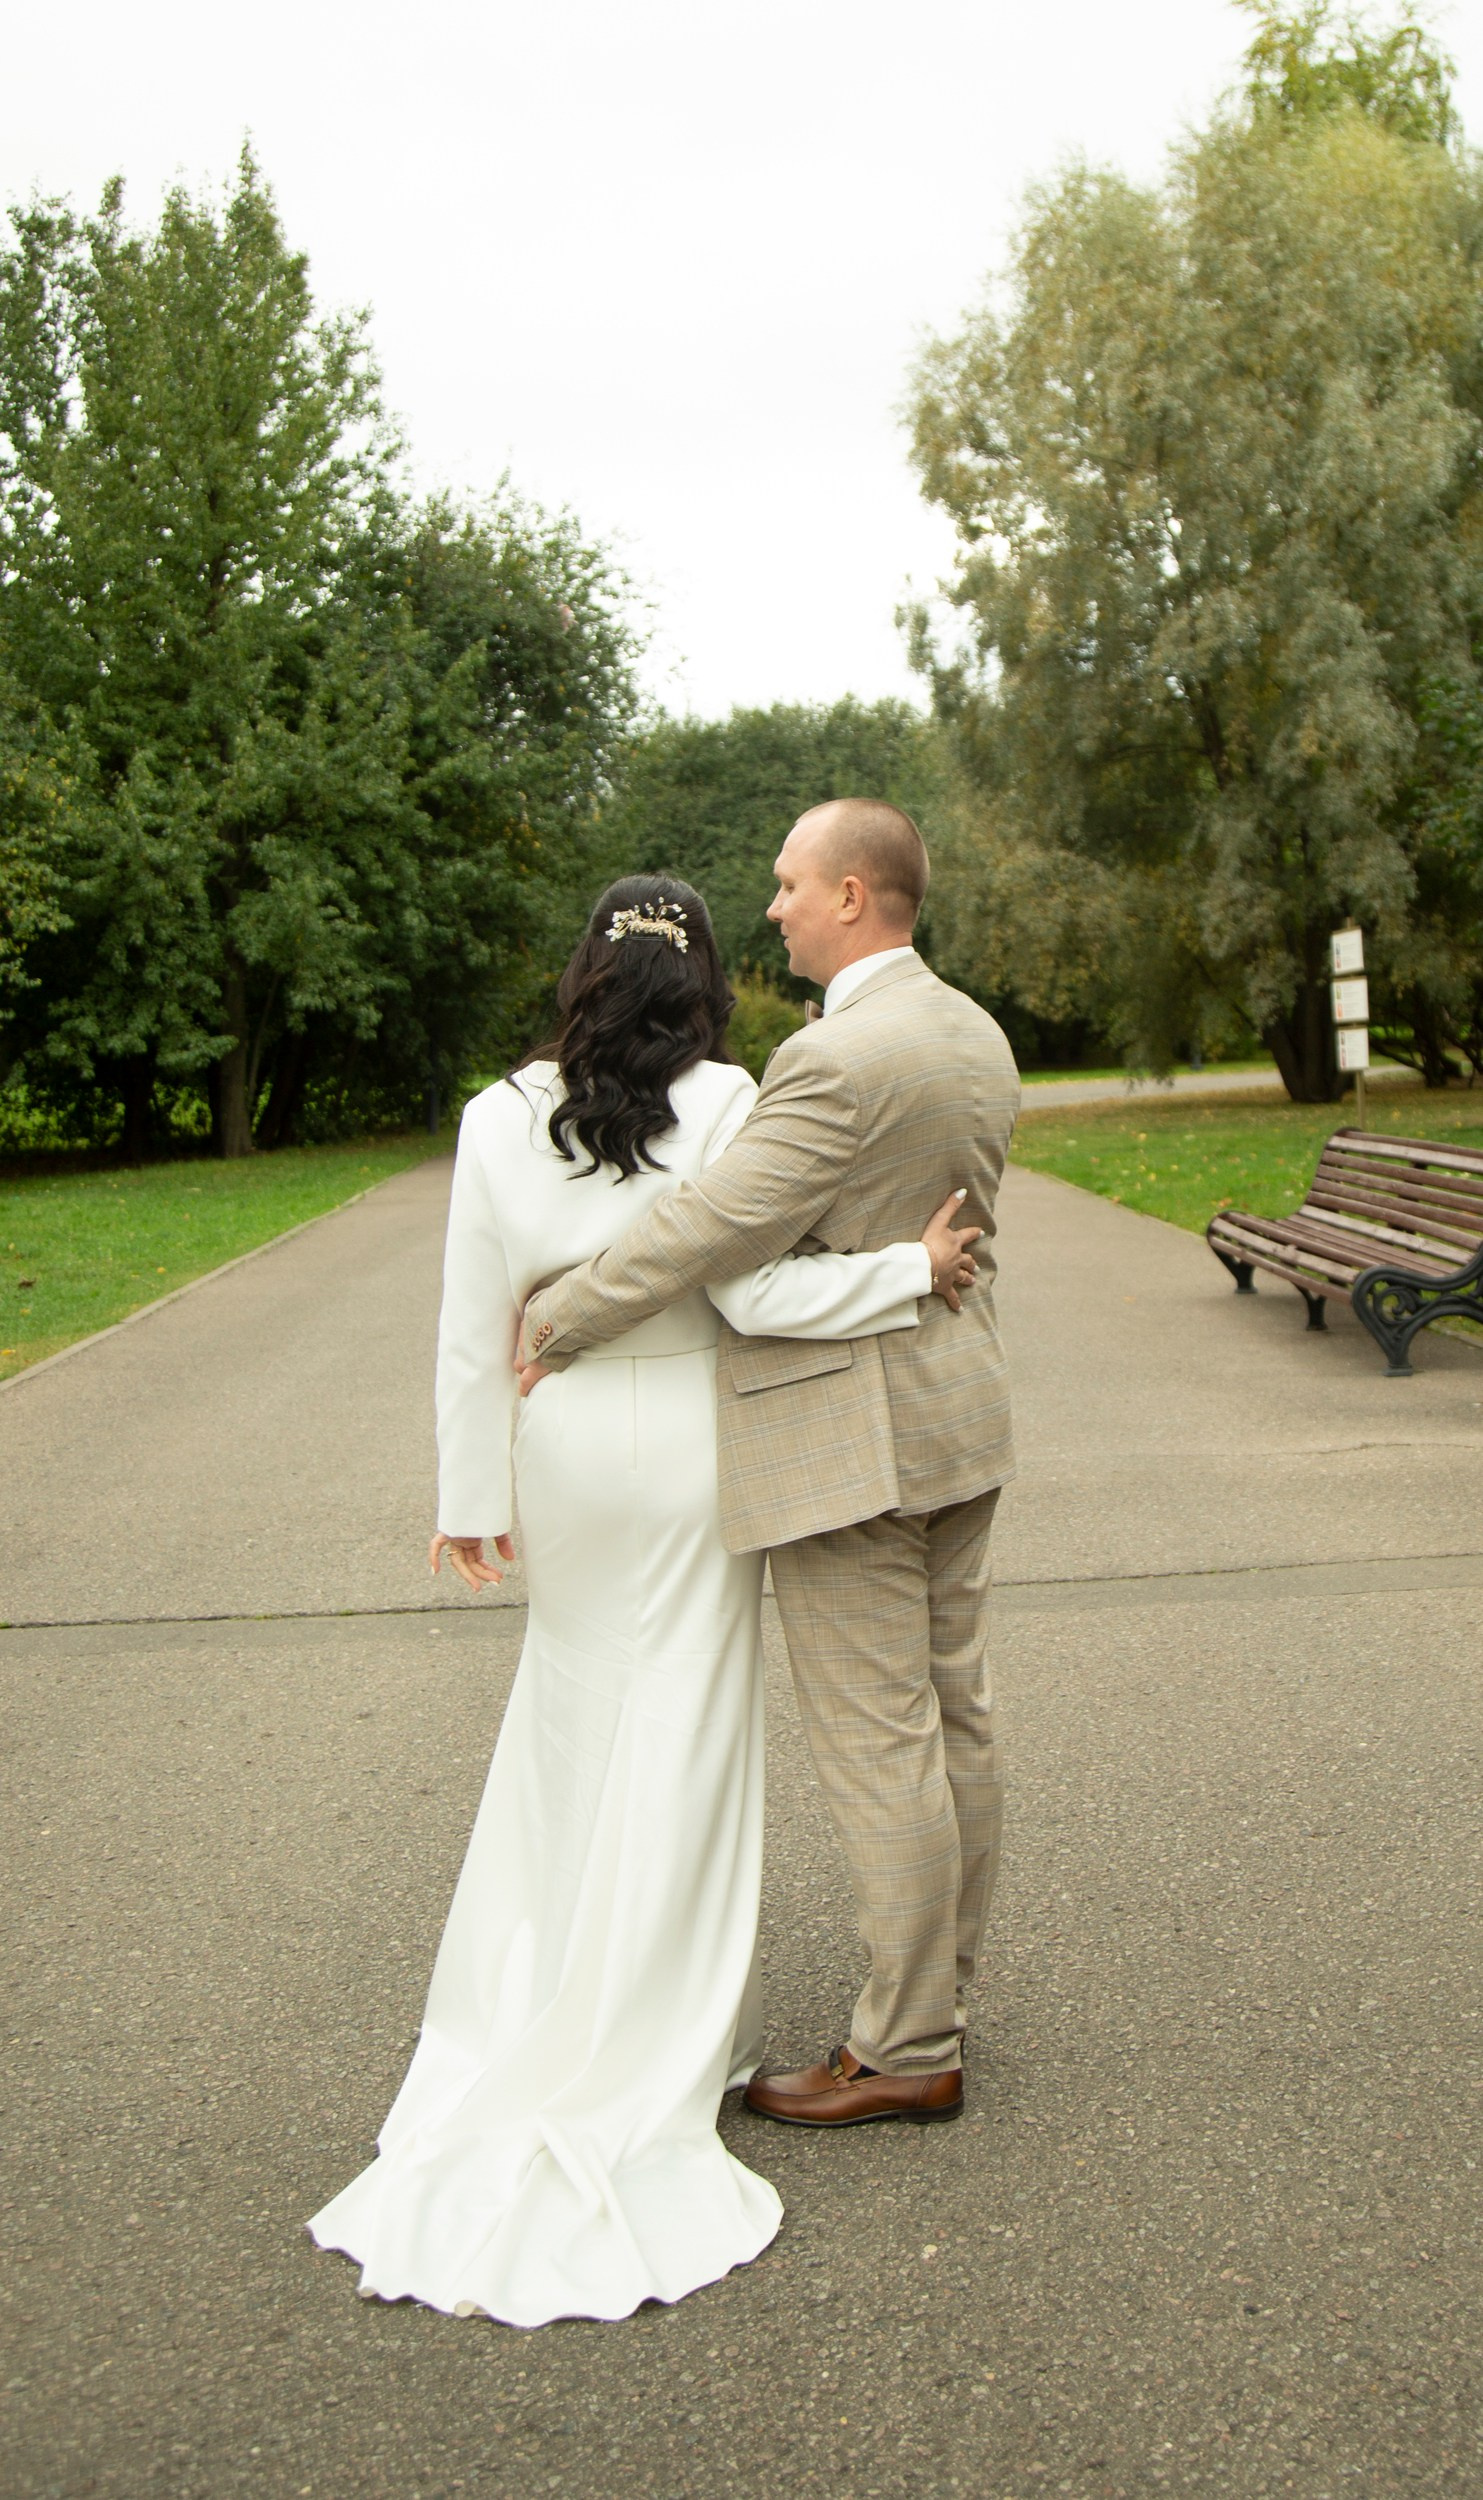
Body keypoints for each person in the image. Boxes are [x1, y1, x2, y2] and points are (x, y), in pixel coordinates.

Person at [308, 872, 981, 2328]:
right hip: (688, 1443)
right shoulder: (732, 1098)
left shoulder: (497, 1117)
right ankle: (669, 2037)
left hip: (561, 1455)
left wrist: (467, 1497)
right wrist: (906, 1274)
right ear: (706, 988)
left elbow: (469, 1323)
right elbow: (755, 1298)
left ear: (582, 975)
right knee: (686, 1738)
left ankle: (536, 2003)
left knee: (565, 1729)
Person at [521, 800, 1020, 2129]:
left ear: (856, 896)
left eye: (793, 885)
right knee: (954, 1716)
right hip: (962, 1416)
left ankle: (909, 2044)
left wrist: (563, 1316)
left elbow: (713, 1227)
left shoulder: (835, 1062)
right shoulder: (974, 1032)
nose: (774, 909)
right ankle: (942, 1992)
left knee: (880, 1743)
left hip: (853, 1445)